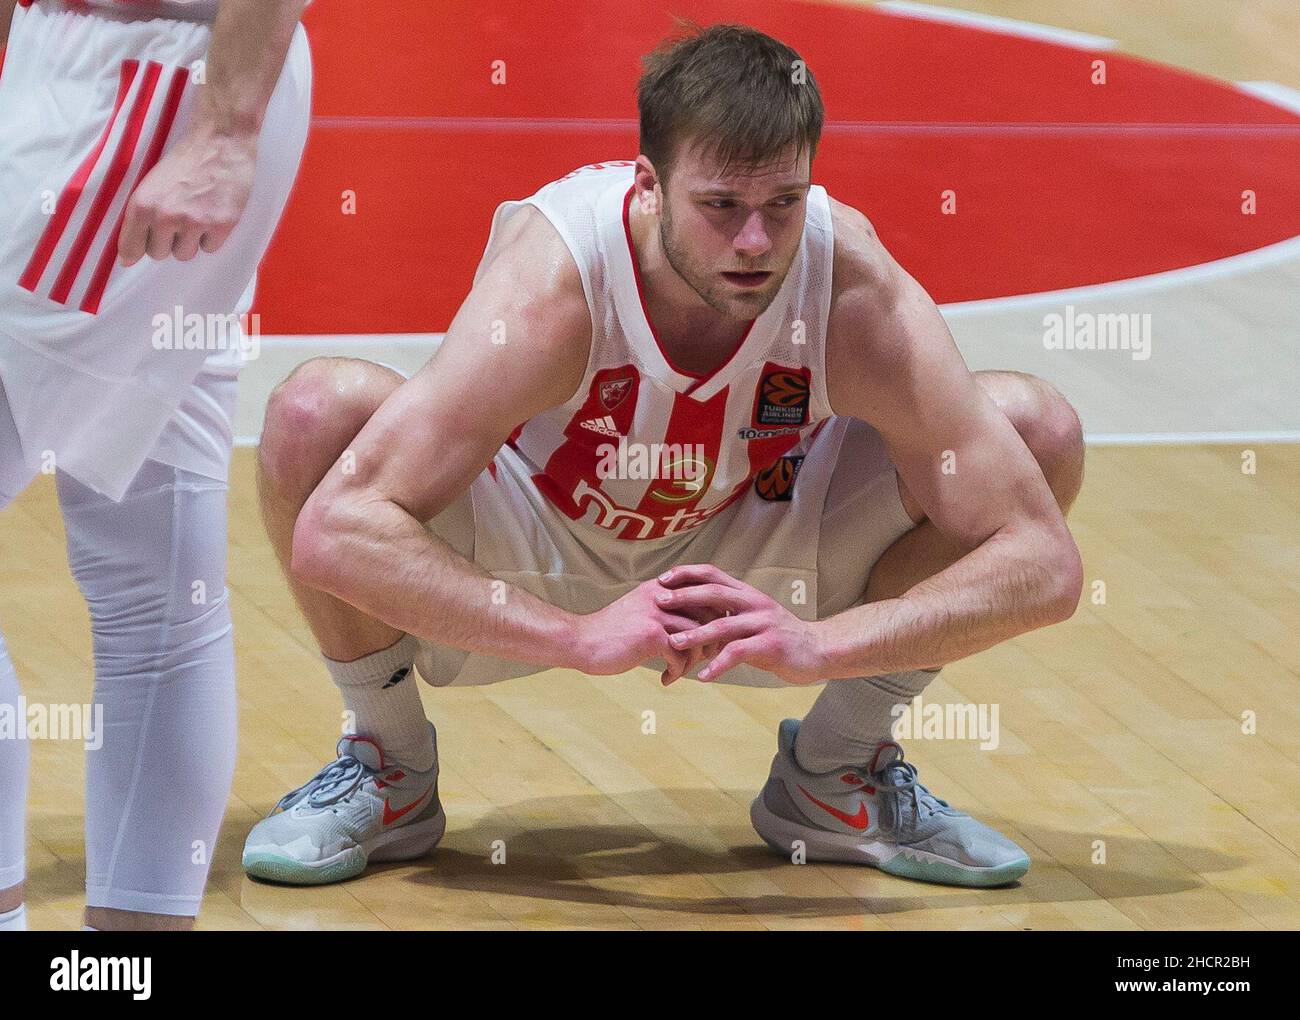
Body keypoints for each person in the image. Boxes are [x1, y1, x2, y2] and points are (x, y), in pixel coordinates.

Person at [244, 24, 1084, 891]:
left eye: (783, 204)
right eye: (721, 206)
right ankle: (387, 764)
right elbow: (334, 534)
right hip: (533, 542)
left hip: (756, 552)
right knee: (315, 413)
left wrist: (824, 644)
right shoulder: (557, 278)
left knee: (1033, 432)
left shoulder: (851, 286)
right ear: (648, 184)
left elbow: (1044, 562)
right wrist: (574, 638)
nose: (755, 242)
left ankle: (840, 772)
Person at [0, 0, 311, 930]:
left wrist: (225, 125)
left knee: (153, 587)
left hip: (155, 82)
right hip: (99, 66)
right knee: (154, 582)